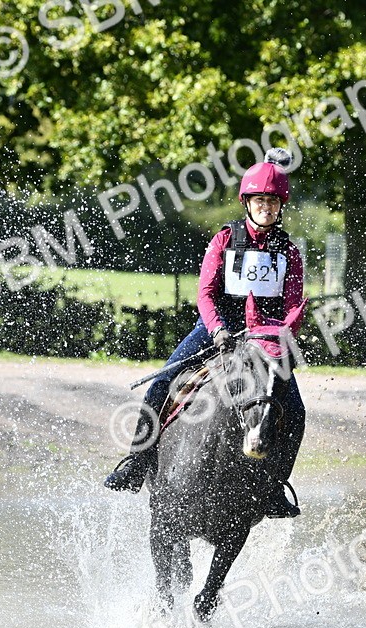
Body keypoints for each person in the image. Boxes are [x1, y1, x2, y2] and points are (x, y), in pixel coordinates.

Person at [104, 149, 306, 518]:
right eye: (260, 200)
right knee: (163, 382)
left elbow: (293, 303)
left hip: (264, 337)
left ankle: (274, 489)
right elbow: (206, 293)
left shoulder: (289, 252)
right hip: (218, 330)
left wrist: (281, 333)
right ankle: (137, 460)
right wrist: (218, 331)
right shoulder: (225, 239)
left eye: (272, 202)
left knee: (295, 409)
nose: (266, 208)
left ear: (280, 207)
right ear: (247, 203)